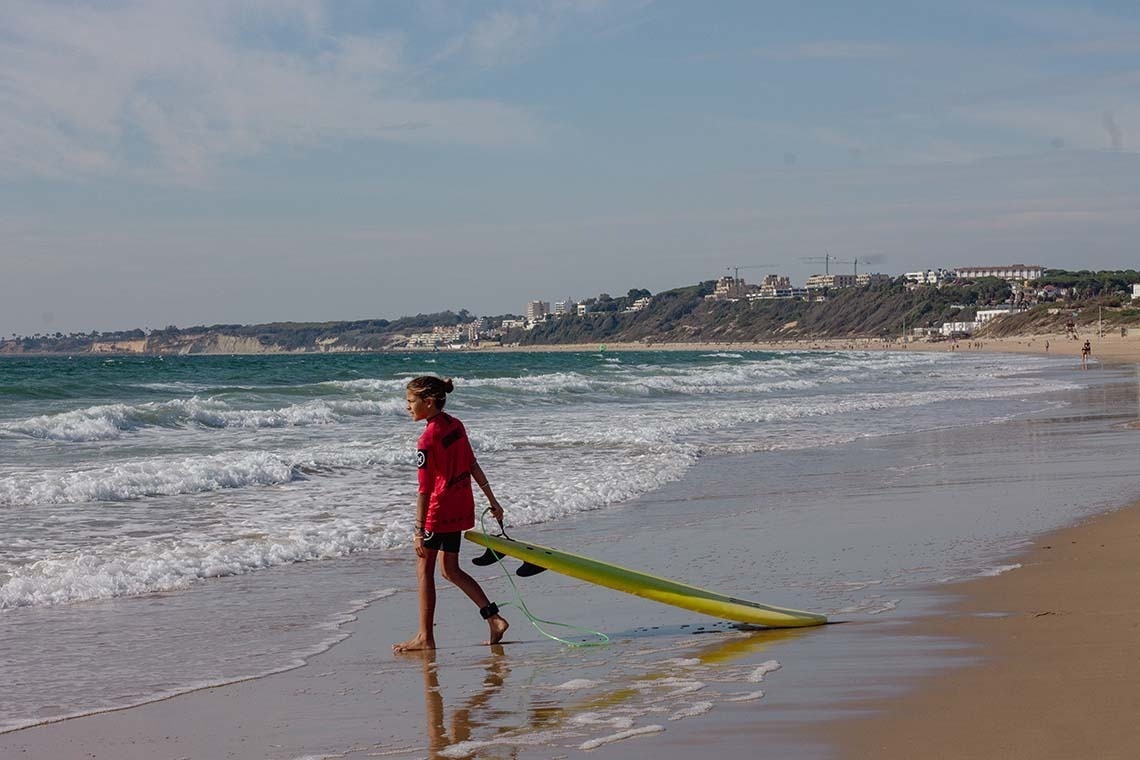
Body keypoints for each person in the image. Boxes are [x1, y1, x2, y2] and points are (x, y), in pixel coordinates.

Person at [393, 376, 509, 653]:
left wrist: (419, 530)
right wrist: (493, 500)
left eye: (411, 401)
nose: (407, 407)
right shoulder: (456, 425)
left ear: (429, 403)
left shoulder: (426, 439)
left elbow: (424, 490)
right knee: (450, 570)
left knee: (425, 570)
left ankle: (425, 637)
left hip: (438, 511)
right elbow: (472, 464)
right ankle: (493, 618)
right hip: (459, 506)